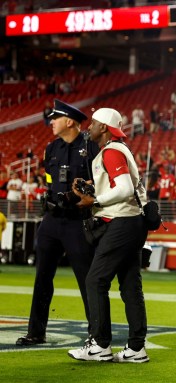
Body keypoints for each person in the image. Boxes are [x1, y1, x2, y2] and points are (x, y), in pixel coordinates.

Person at [67, 107, 149, 363]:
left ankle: (100, 345)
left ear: (104, 127)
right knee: (129, 286)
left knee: (95, 281)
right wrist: (96, 188)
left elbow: (123, 188)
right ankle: (136, 348)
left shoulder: (111, 151)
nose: (89, 127)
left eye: (93, 123)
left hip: (122, 222)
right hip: (134, 222)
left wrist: (96, 199)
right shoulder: (120, 150)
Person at [16, 99, 98, 346]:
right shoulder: (51, 149)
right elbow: (51, 183)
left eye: (55, 118)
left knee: (87, 280)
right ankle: (36, 332)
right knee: (42, 277)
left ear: (70, 121)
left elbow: (99, 183)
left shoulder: (91, 147)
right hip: (51, 221)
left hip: (77, 222)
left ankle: (96, 335)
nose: (51, 122)